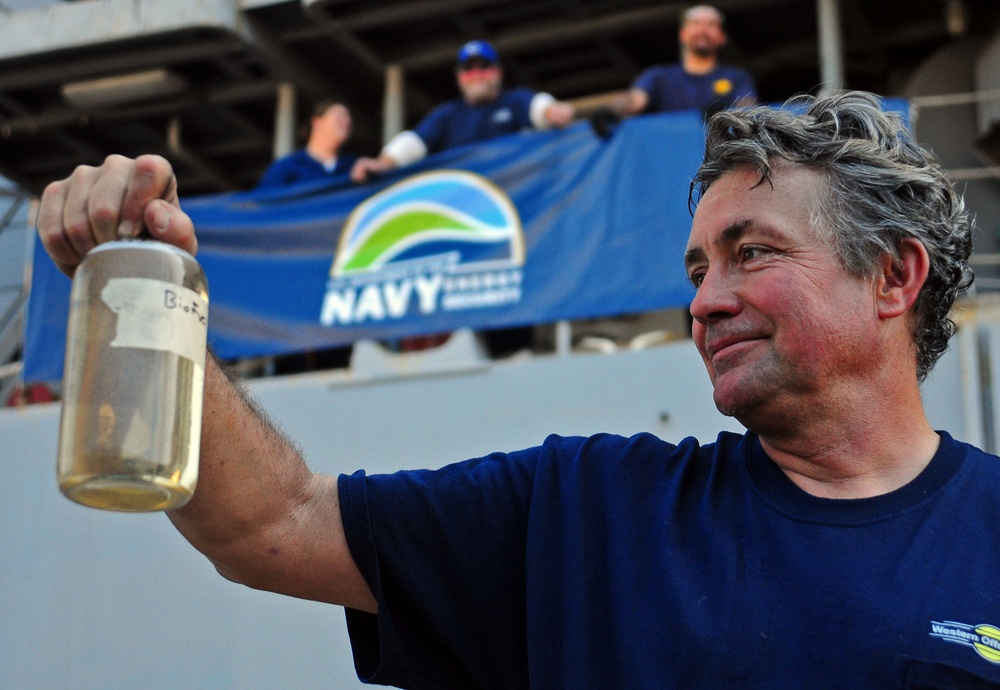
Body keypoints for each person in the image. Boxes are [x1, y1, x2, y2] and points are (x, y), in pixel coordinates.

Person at [36, 91, 1000, 688]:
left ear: (894, 278)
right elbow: (272, 526)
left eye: (752, 254)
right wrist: (159, 296)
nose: (705, 302)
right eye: (698, 268)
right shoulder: (586, 516)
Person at [350, 40, 576, 183]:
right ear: (459, 76)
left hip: (516, 196)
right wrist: (382, 163)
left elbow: (540, 107)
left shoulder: (515, 99)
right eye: (468, 68)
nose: (476, 73)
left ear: (497, 72)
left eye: (483, 66)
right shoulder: (448, 114)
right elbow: (413, 143)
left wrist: (553, 111)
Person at [614, 4, 757, 120]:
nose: (703, 30)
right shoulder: (658, 76)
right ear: (683, 35)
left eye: (711, 25)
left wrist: (728, 112)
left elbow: (749, 109)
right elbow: (635, 100)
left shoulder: (737, 77)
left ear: (722, 37)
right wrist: (612, 112)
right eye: (696, 23)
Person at [257, 100, 359, 188]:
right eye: (340, 116)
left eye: (349, 118)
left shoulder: (354, 165)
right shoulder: (286, 166)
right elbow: (260, 203)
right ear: (317, 122)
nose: (347, 121)